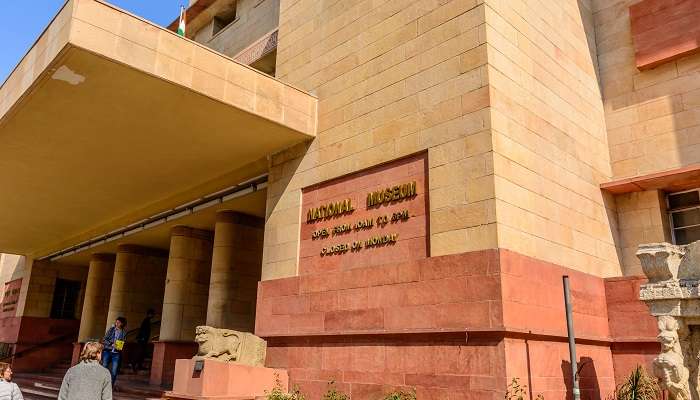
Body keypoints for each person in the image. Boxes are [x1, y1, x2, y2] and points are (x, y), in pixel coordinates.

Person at [101, 317, 127, 387]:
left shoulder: (123, 332)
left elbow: (123, 342)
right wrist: (111, 344)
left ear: (122, 323)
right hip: (107, 351)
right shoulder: (111, 330)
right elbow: (104, 339)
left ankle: (110, 386)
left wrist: (119, 346)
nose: (116, 323)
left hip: (116, 353)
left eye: (118, 322)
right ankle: (101, 384)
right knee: (104, 367)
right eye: (116, 322)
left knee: (114, 371)